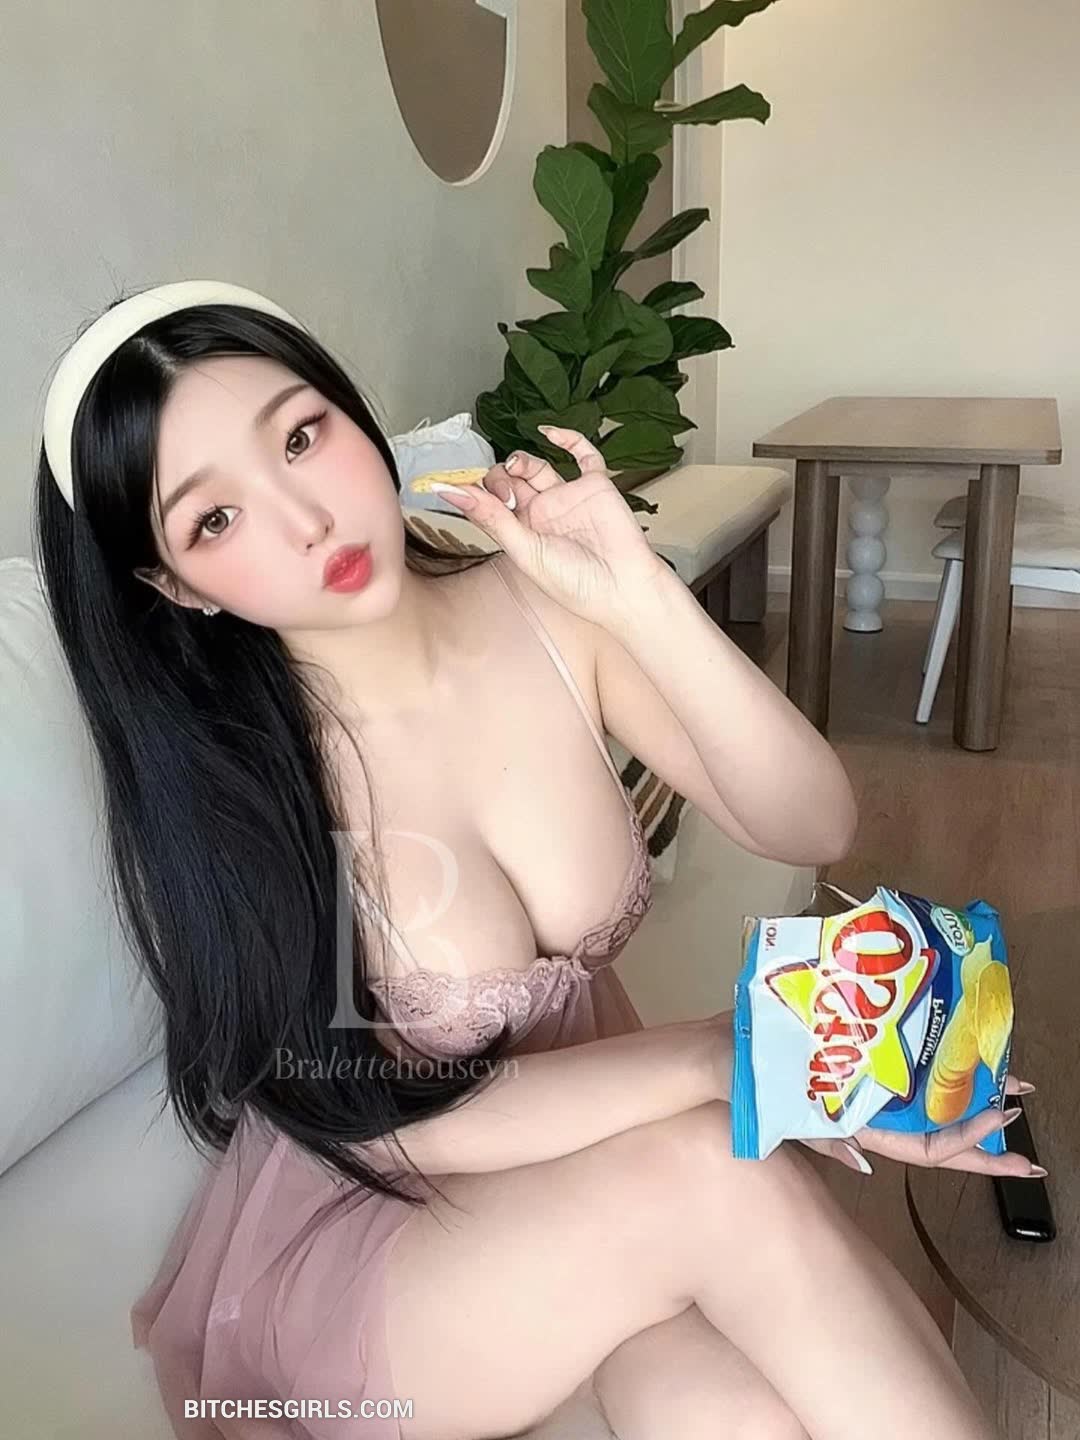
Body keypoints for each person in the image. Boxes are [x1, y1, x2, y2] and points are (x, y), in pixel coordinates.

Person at [33, 280, 1036, 1440]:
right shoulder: (234, 775)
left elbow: (812, 826)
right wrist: (732, 1060)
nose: (305, 518)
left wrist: (639, 594)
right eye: (214, 519)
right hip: (376, 1227)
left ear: (352, 414)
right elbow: (373, 1118)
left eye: (301, 437)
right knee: (717, 1170)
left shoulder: (544, 609)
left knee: (732, 1413)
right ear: (172, 586)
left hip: (597, 1163)